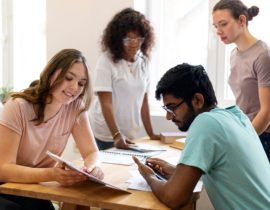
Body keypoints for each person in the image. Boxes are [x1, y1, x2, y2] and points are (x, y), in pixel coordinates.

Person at [133, 63, 270, 210]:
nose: (168, 116)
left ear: (198, 100)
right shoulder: (236, 116)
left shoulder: (205, 122)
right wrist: (177, 172)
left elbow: (174, 198)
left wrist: (149, 177)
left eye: (172, 107)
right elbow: (230, 174)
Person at [0, 49, 104, 209]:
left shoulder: (75, 107)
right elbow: (3, 169)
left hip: (31, 186)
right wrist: (51, 174)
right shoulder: (17, 106)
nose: (75, 87)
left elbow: (91, 152)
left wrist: (91, 168)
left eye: (81, 83)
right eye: (69, 78)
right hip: (5, 185)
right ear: (51, 74)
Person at [90, 8, 160, 150]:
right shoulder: (106, 61)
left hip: (129, 133)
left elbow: (144, 101)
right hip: (105, 133)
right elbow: (106, 103)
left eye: (138, 39)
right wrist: (116, 135)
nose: (134, 44)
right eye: (128, 39)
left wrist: (151, 133)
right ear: (118, 39)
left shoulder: (143, 62)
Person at [212, 0, 270, 161]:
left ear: (242, 21)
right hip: (247, 131)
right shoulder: (234, 54)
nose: (218, 31)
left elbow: (267, 112)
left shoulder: (263, 55)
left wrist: (244, 141)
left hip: (263, 137)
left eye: (223, 24)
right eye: (215, 26)